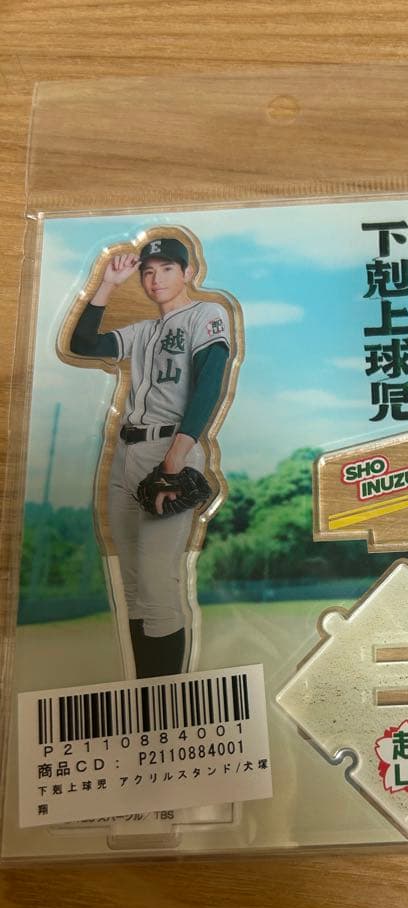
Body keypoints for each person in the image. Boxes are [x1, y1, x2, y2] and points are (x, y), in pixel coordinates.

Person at [68, 236, 233, 678]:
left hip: (169, 450)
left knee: (158, 584)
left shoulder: (206, 315)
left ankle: (167, 698)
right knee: (135, 589)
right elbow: (84, 343)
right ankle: (146, 693)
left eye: (166, 268)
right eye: (147, 271)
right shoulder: (142, 331)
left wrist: (175, 461)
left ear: (188, 272)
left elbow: (209, 385)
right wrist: (107, 284)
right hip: (126, 454)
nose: (155, 278)